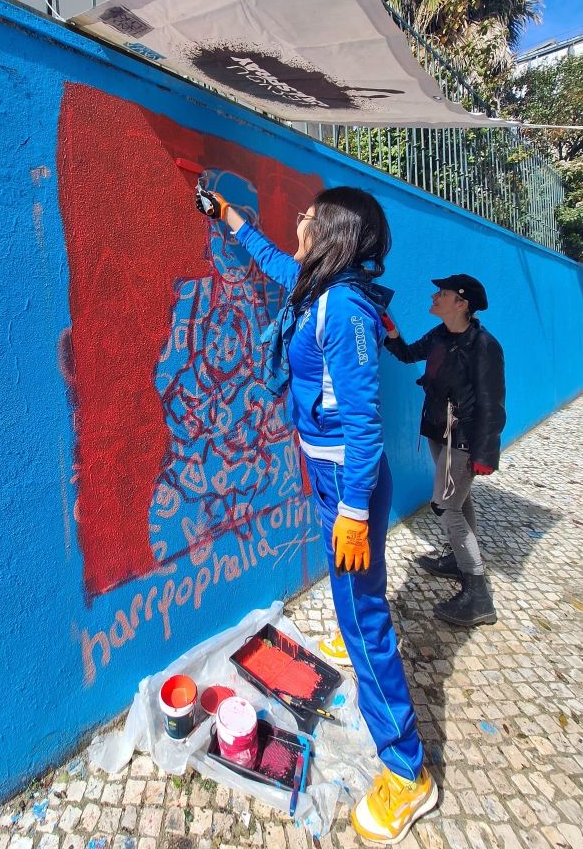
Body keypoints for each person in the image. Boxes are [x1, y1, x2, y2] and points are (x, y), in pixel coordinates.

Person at [194, 184, 437, 845]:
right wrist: (230, 217)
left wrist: (353, 512)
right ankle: (358, 638)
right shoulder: (317, 288)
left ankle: (407, 772)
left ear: (331, 232)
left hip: (348, 483)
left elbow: (364, 424)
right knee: (356, 600)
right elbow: (278, 264)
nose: (296, 223)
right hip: (330, 476)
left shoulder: (345, 308)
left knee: (365, 622)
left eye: (305, 218)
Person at [383, 275, 506, 627]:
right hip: (439, 433)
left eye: (443, 293)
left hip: (463, 441)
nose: (435, 296)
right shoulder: (440, 335)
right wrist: (391, 331)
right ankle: (457, 559)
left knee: (446, 506)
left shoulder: (483, 345)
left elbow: (492, 403)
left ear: (461, 304)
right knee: (460, 501)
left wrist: (485, 454)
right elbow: (408, 354)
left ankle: (478, 595)